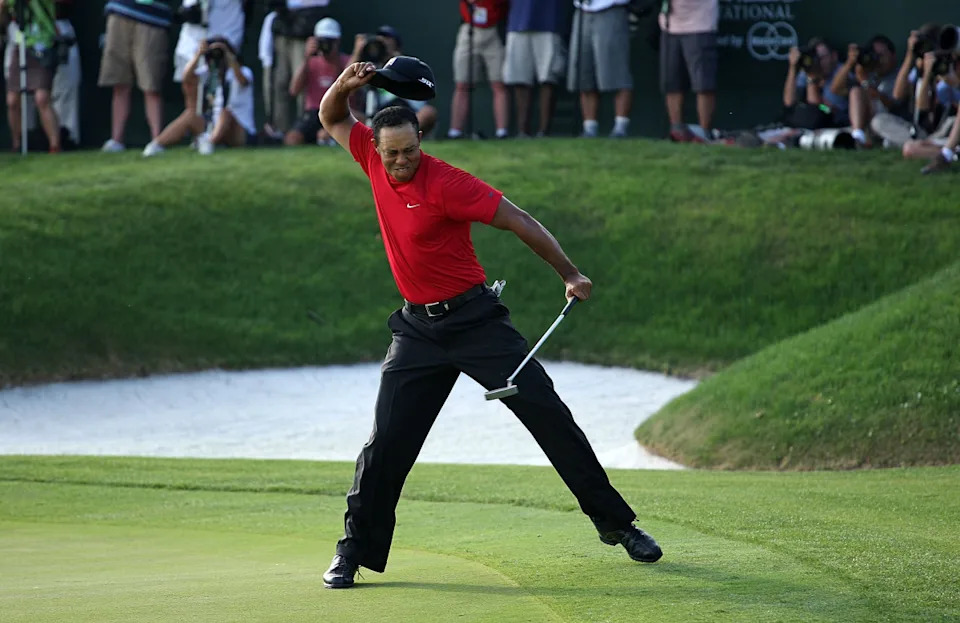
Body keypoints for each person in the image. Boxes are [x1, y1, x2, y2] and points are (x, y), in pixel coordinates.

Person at [316, 58, 663, 589]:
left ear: (421, 140)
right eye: (394, 155)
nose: (403, 161)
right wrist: (345, 82)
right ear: (377, 150)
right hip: (418, 331)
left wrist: (569, 272)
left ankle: (619, 526)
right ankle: (353, 552)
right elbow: (331, 115)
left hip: (477, 321)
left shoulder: (448, 183)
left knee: (550, 416)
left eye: (412, 150)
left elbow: (520, 220)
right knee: (385, 446)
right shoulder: (369, 154)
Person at [142, 38, 255, 156]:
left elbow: (243, 81)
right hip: (212, 126)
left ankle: (209, 143)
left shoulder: (243, 71)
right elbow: (187, 78)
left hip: (239, 130)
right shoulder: (208, 73)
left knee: (225, 112)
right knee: (191, 114)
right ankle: (156, 145)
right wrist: (198, 55)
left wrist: (228, 56)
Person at [98, 0, 173, 152]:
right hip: (120, 10)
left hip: (153, 17)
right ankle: (116, 141)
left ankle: (157, 141)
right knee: (119, 82)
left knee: (151, 85)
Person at [258, 0, 331, 138]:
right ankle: (280, 130)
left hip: (304, 28)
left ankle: (304, 129)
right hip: (282, 25)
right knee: (280, 83)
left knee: (302, 83)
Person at [354, 25, 438, 137]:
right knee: (349, 114)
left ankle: (401, 136)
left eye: (387, 39)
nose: (383, 42)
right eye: (380, 39)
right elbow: (346, 85)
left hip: (407, 112)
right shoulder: (371, 65)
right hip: (378, 115)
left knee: (428, 112)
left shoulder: (407, 65)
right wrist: (358, 51)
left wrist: (393, 56)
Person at [1, 0, 61, 153]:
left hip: (43, 44)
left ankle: (55, 146)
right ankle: (17, 144)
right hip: (20, 43)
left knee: (42, 98)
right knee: (12, 100)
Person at [568, 0, 633, 138]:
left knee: (617, 72)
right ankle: (589, 127)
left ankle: (620, 127)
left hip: (611, 8)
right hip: (582, 10)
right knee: (584, 73)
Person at [503, 0, 567, 137]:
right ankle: (522, 131)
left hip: (549, 22)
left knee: (548, 78)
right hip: (518, 22)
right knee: (520, 79)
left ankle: (544, 131)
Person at [658, 0, 719, 143]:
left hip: (700, 25)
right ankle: (677, 131)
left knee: (703, 84)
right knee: (672, 83)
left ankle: (704, 133)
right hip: (669, 26)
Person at [284, 17, 350, 145]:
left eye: (330, 41)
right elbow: (293, 90)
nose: (326, 45)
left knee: (325, 135)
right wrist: (306, 57)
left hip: (338, 111)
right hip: (314, 113)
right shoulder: (311, 63)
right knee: (292, 138)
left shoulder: (346, 62)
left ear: (337, 41)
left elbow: (349, 89)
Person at [448, 0, 509, 139]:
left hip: (494, 30)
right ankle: (455, 132)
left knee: (498, 84)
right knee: (462, 84)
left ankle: (502, 132)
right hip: (469, 28)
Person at [828, 35, 901, 147]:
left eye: (881, 55)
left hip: (888, 122)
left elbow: (892, 105)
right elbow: (835, 90)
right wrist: (850, 63)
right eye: (875, 56)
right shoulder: (868, 73)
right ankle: (858, 136)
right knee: (856, 91)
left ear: (893, 55)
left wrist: (865, 82)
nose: (878, 60)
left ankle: (861, 138)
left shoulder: (899, 75)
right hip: (866, 125)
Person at [172, 0, 247, 84]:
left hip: (224, 45)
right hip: (190, 46)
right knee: (190, 84)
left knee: (220, 86)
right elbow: (186, 13)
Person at [782, 38, 850, 129]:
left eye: (822, 58)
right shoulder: (809, 71)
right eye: (816, 58)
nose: (819, 62)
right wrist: (793, 67)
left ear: (834, 56)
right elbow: (788, 101)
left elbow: (822, 107)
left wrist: (812, 78)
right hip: (812, 121)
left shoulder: (841, 72)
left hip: (835, 117)